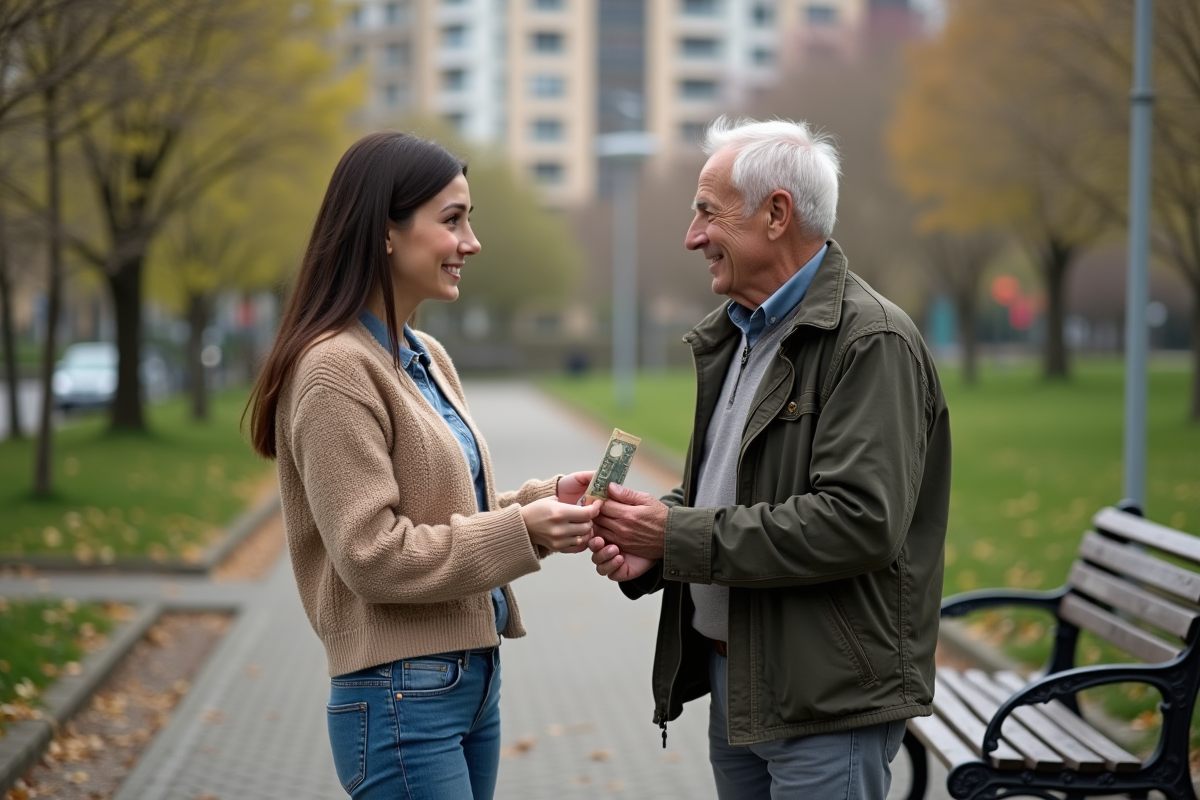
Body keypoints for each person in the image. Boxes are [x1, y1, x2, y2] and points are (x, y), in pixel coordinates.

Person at [588, 116, 952, 799]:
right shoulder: (741, 334)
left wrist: (676, 535)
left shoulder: (869, 341)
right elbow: (740, 497)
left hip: (825, 701)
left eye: (706, 214)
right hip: (744, 685)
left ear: (776, 214)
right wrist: (656, 543)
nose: (692, 237)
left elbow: (856, 522)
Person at [245, 131, 600, 800]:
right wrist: (526, 534)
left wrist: (543, 502)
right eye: (453, 220)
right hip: (399, 694)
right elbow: (373, 555)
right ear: (385, 232)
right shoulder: (333, 370)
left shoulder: (427, 355)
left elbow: (450, 516)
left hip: (470, 683)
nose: (473, 242)